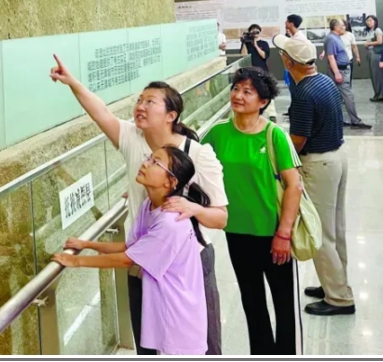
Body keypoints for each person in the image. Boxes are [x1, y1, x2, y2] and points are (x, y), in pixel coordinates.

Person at [49, 55, 228, 355]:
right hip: (144, 258)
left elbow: (221, 217)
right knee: (149, 342)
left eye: (150, 102)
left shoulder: (196, 154)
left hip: (188, 263)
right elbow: (100, 112)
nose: (140, 106)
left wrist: (192, 208)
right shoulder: (133, 138)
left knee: (199, 345)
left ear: (171, 115)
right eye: (139, 100)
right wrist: (72, 83)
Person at [53, 146, 209, 356]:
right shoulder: (149, 206)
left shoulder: (170, 223)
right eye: (149, 158)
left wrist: (77, 262)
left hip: (179, 319)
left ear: (170, 182)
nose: (145, 164)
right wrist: (88, 245)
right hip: (166, 310)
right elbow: (132, 247)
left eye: (156, 163)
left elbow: (128, 259)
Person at [202, 67, 304, 354]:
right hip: (236, 232)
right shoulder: (218, 134)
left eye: (248, 91)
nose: (238, 95)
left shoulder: (274, 136)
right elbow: (191, 166)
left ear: (263, 101)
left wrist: (283, 233)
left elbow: (294, 185)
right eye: (236, 88)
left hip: (273, 234)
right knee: (252, 301)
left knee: (283, 303)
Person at [273, 34, 356, 317]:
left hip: (319, 165)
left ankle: (339, 299)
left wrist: (279, 158)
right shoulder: (323, 81)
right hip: (336, 157)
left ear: (288, 61)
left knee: (319, 231)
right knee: (335, 229)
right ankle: (335, 284)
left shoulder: (304, 93)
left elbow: (298, 140)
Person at [324, 18, 370, 129]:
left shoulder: (336, 37)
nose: (344, 27)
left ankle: (338, 120)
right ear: (336, 27)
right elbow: (331, 57)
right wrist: (337, 73)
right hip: (340, 71)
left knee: (338, 96)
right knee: (348, 95)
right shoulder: (331, 39)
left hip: (343, 69)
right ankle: (355, 121)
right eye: (342, 25)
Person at [240, 24, 277, 120]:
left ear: (260, 32)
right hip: (249, 71)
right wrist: (244, 42)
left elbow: (264, 56)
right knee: (251, 92)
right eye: (253, 31)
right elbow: (243, 55)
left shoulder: (264, 43)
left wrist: (256, 45)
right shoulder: (247, 43)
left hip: (262, 71)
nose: (255, 33)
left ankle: (272, 114)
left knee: (266, 91)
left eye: (257, 31)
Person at [363, 15, 383, 102]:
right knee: (373, 75)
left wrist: (368, 44)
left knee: (377, 75)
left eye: (370, 20)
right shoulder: (370, 31)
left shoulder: (377, 30)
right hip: (370, 53)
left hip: (375, 54)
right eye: (367, 21)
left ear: (375, 21)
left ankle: (380, 95)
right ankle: (377, 94)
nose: (368, 22)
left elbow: (380, 41)